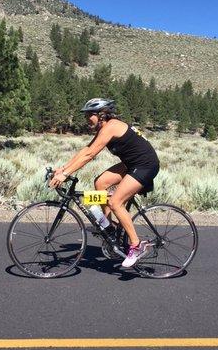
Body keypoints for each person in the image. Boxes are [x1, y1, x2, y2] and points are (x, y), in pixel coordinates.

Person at [49, 98, 160, 268]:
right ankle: (109, 230)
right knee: (100, 183)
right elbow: (86, 150)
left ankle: (136, 245)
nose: (87, 119)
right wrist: (63, 168)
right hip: (132, 164)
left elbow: (90, 156)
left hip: (145, 165)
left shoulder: (111, 127)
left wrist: (65, 174)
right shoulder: (103, 128)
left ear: (101, 115)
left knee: (115, 202)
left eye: (89, 115)